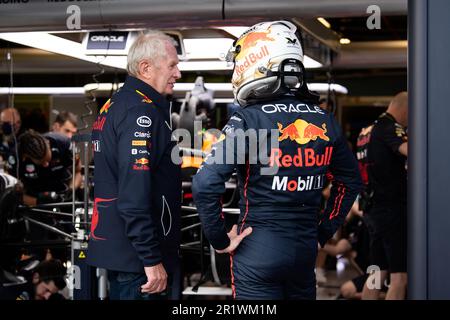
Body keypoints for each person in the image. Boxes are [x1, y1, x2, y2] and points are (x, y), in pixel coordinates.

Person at [192, 21, 362, 300]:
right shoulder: (324, 119)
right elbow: (350, 181)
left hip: (257, 248)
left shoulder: (248, 118)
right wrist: (323, 232)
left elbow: (205, 183)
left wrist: (219, 239)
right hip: (305, 249)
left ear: (255, 59)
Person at [86, 30, 182, 300]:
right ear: (146, 68)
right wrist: (151, 258)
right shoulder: (141, 112)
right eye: (173, 65)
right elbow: (133, 191)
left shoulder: (115, 104)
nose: (178, 73)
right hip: (140, 262)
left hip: (125, 252)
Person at [361, 92, 408, 300]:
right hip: (390, 209)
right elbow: (409, 149)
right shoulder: (390, 126)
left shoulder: (366, 131)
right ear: (406, 110)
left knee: (376, 273)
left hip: (371, 208)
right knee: (400, 277)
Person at [18, 130, 81, 206]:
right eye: (41, 162)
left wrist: (72, 190)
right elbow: (12, 194)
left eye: (48, 160)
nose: (46, 165)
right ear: (26, 156)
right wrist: (38, 201)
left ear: (48, 143)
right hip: (34, 199)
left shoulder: (64, 143)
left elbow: (78, 172)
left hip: (63, 191)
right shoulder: (18, 158)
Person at [0, 259, 66, 300]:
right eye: (46, 290)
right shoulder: (12, 290)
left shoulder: (53, 296)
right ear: (36, 277)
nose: (47, 297)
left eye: (52, 293)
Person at [0, 107, 22, 175]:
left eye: (7, 123)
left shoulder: (24, 141)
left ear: (18, 123)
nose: (2, 125)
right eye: (1, 122)